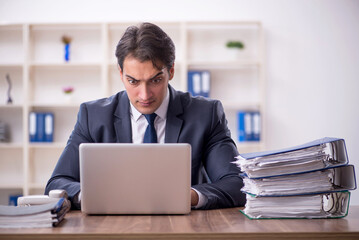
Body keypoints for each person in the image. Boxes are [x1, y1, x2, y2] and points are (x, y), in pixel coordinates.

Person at [45, 22, 246, 210]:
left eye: (156, 80)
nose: (145, 95)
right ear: (121, 73)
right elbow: (57, 182)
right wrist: (92, 196)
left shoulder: (205, 114)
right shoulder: (93, 116)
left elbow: (236, 183)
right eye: (133, 82)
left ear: (171, 71)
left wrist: (188, 196)